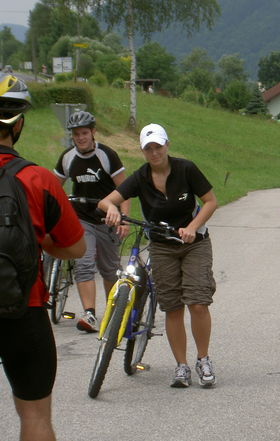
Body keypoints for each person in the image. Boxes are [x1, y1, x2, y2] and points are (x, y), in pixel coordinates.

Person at [98, 123, 218, 388]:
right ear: (143, 151)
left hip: (194, 243)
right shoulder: (141, 176)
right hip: (162, 246)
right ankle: (181, 366)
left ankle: (203, 359)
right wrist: (113, 210)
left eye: (158, 147)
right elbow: (105, 201)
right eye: (148, 149)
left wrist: (192, 227)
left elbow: (211, 201)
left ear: (167, 146)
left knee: (197, 302)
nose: (154, 153)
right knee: (172, 307)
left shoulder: (186, 169)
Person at [0, 73, 86, 441]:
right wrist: (45, 242)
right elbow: (77, 248)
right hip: (24, 309)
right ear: (18, 124)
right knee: (34, 415)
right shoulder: (37, 179)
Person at [53, 110, 130, 332]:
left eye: (84, 133)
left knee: (109, 269)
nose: (80, 137)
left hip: (107, 219)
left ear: (93, 132)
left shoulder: (107, 156)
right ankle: (90, 315)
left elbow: (124, 190)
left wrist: (123, 219)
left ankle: (113, 314)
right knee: (84, 265)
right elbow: (54, 186)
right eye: (76, 134)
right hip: (82, 219)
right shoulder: (68, 157)